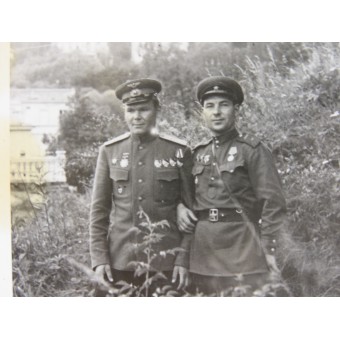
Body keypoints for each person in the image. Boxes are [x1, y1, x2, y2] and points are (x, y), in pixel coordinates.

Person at [177, 76, 287, 295]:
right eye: (210, 106)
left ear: (236, 109)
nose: (216, 112)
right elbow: (187, 199)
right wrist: (179, 207)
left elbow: (273, 203)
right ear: (203, 113)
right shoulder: (197, 153)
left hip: (242, 250)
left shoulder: (252, 150)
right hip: (203, 253)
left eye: (224, 105)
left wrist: (269, 248)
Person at [89, 78, 193, 296]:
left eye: (144, 109)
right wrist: (99, 260)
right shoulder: (110, 152)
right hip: (120, 263)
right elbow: (99, 212)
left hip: (166, 263)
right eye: (130, 110)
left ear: (157, 109)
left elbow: (192, 212)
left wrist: (183, 259)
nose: (136, 116)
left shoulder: (179, 151)